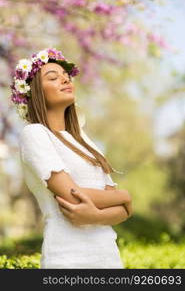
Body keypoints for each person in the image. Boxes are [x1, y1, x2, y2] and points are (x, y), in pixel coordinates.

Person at [10, 47, 133, 269]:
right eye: (53, 77)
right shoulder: (35, 134)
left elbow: (124, 212)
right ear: (35, 91)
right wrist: (123, 195)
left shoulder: (86, 142)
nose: (65, 80)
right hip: (68, 260)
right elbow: (73, 197)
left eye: (66, 77)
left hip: (109, 258)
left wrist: (94, 215)